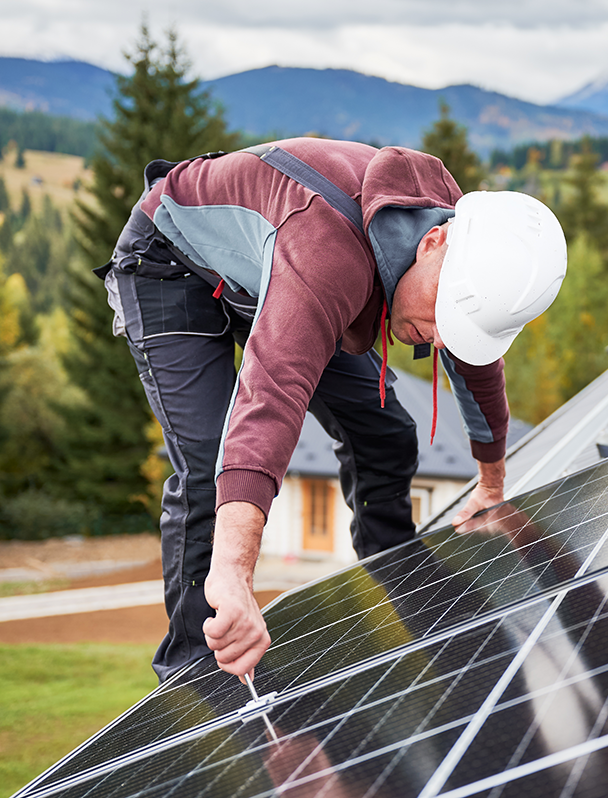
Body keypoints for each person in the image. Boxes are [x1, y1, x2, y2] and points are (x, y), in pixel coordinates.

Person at [101, 137, 566, 682]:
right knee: (210, 464)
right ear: (432, 242)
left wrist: (491, 485)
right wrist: (233, 573)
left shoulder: (463, 249)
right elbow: (271, 397)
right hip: (171, 264)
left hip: (268, 273)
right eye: (444, 318)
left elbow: (477, 374)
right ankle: (197, 671)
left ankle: (400, 574)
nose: (440, 340)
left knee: (386, 431)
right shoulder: (328, 252)